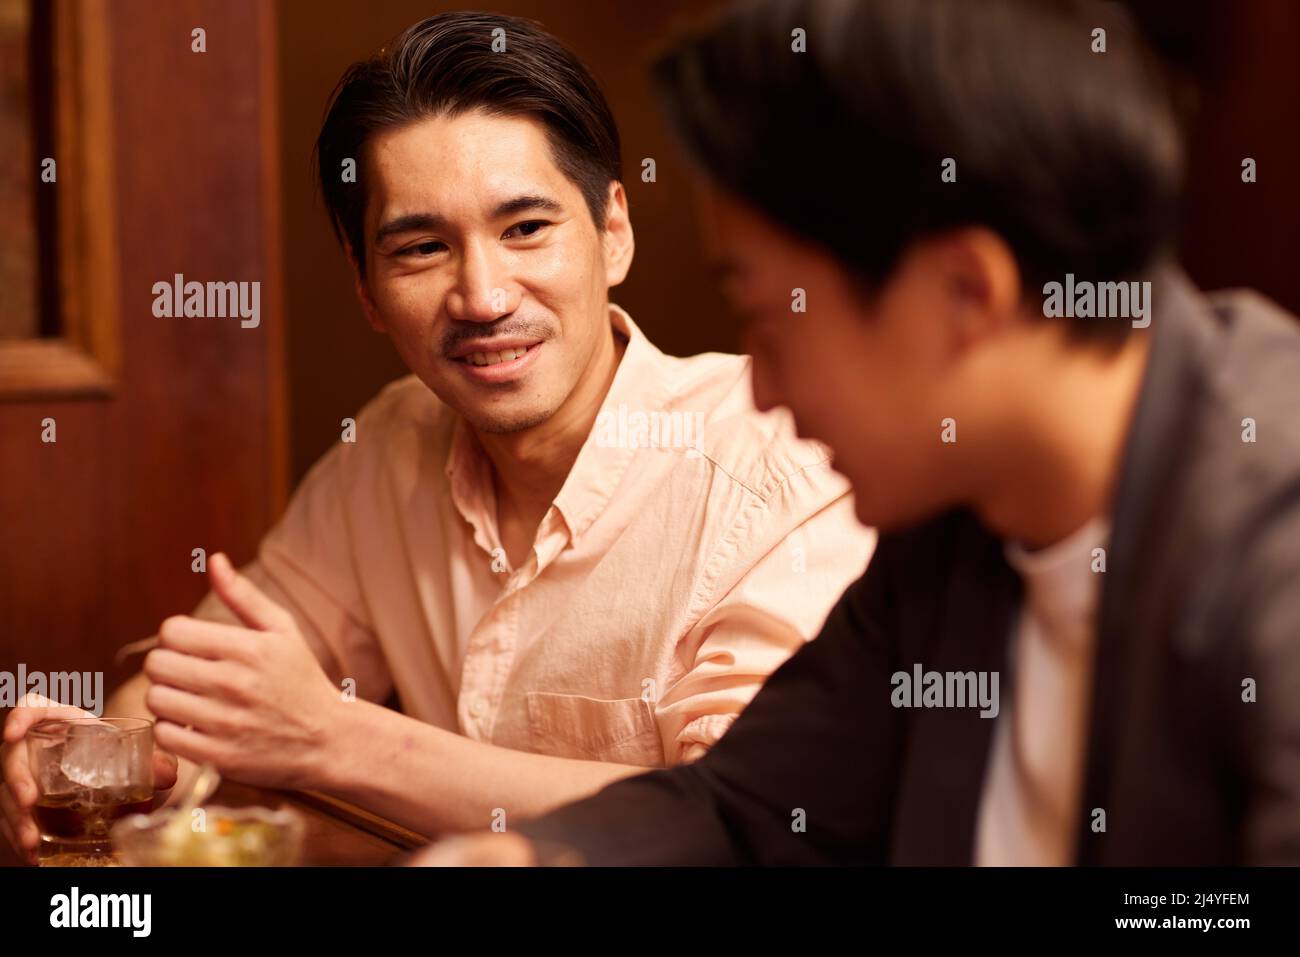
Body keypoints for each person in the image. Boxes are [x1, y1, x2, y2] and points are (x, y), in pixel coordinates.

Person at [415, 0, 1300, 866]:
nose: (758, 388)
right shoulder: (962, 517)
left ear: (964, 294)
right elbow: (751, 806)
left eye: (769, 319)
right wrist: (536, 854)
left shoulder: (1269, 546)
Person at [0, 11, 874, 864]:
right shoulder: (392, 443)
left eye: (526, 229)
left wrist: (332, 738)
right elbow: (210, 681)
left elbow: (754, 824)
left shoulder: (778, 469)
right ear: (367, 288)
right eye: (422, 247)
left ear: (613, 232)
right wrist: (102, 755)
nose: (485, 296)